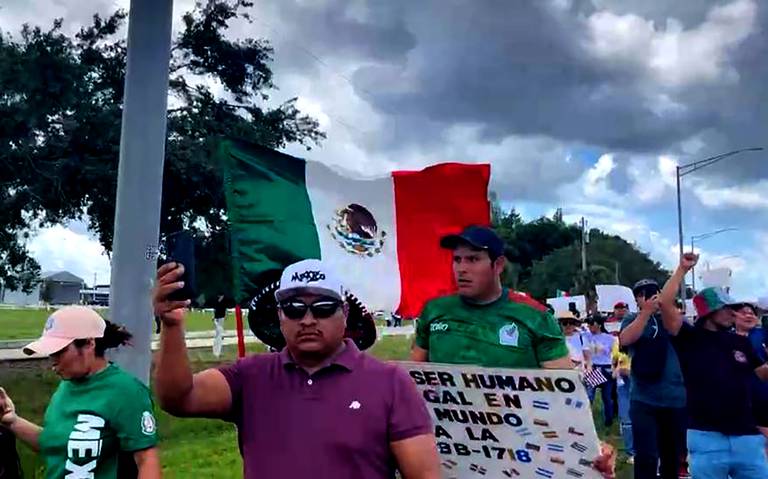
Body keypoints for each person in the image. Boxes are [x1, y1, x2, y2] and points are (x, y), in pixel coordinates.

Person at [153, 259, 441, 479]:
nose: (307, 319)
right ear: (280, 316)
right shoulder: (251, 375)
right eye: (293, 308)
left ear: (345, 313)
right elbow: (179, 397)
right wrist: (173, 326)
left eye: (324, 307)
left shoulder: (389, 383)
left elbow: (424, 475)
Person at [410, 225, 616, 477]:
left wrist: (591, 448)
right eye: (457, 260)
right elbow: (413, 385)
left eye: (473, 259)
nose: (461, 269)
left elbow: (565, 397)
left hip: (518, 452)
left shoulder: (534, 316)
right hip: (452, 452)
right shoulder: (435, 311)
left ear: (498, 265)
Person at [0, 306, 160, 478]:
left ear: (89, 343)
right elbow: (56, 445)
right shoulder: (65, 388)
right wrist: (12, 421)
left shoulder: (126, 392)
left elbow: (146, 460)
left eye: (59, 352)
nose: (53, 361)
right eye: (50, 353)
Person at [659, 254, 768, 479]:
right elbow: (665, 303)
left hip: (747, 437)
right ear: (709, 311)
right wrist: (682, 269)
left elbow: (761, 375)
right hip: (706, 436)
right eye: (726, 308)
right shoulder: (688, 337)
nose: (733, 312)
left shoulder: (740, 341)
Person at [619, 277, 686, 479]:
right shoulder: (632, 319)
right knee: (646, 455)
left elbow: (679, 330)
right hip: (643, 398)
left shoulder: (672, 318)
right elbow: (625, 339)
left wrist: (664, 306)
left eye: (651, 292)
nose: (646, 297)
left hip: (675, 398)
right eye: (640, 294)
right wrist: (646, 313)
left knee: (672, 456)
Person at [731, 302, 768, 457]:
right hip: (735, 399)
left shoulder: (762, 334)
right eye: (744, 312)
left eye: (752, 313)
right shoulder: (726, 337)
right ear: (732, 316)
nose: (749, 315)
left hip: (762, 395)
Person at [585, 315, 616, 428]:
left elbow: (611, 352)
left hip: (604, 367)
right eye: (588, 324)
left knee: (605, 396)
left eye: (592, 324)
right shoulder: (586, 336)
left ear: (598, 324)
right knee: (591, 395)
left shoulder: (609, 338)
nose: (589, 326)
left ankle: (608, 419)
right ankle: (588, 418)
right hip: (595, 367)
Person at [611, 337, 634, 464]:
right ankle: (631, 452)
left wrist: (631, 372)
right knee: (626, 419)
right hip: (623, 383)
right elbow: (614, 361)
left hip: (638, 380)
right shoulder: (617, 341)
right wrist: (616, 370)